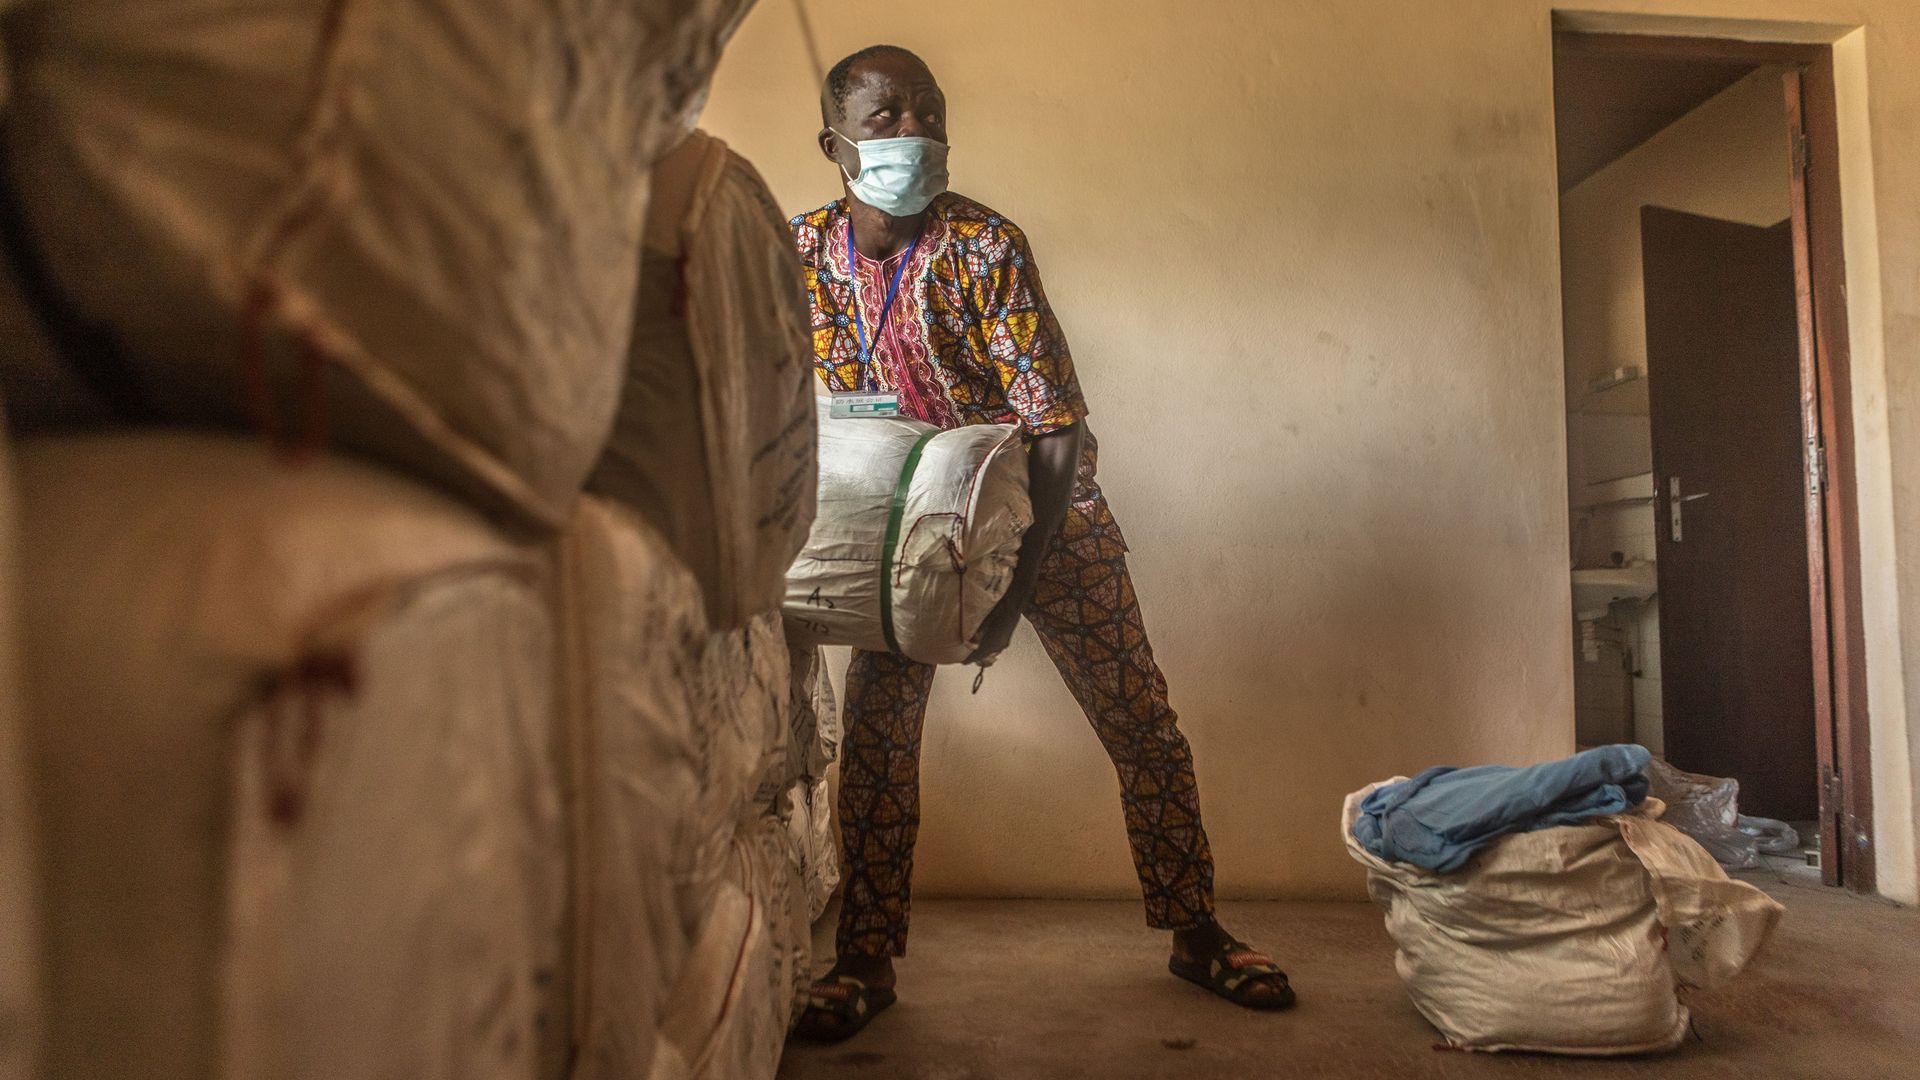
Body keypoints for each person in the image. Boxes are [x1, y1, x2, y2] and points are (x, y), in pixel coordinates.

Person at [787, 44, 1293, 1042]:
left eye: (929, 113)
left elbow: (1054, 430)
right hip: (903, 533)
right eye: (885, 117)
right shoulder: (798, 251)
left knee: (1139, 721)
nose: (913, 133)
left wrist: (1012, 599)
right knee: (879, 741)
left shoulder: (985, 246)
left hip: (1040, 514)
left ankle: (1197, 931)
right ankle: (865, 960)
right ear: (832, 143)